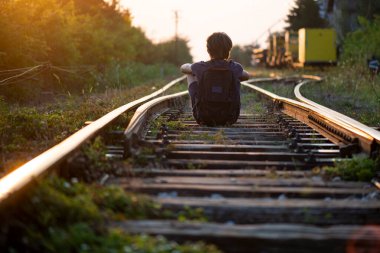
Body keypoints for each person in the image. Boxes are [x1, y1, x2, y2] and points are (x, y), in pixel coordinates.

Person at [180, 32, 250, 125]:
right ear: (228, 50)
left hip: (204, 117)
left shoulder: (200, 66)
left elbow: (183, 68)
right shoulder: (235, 67)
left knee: (190, 74)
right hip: (230, 118)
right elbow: (246, 75)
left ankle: (198, 108)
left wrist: (191, 67)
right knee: (235, 79)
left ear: (208, 50)